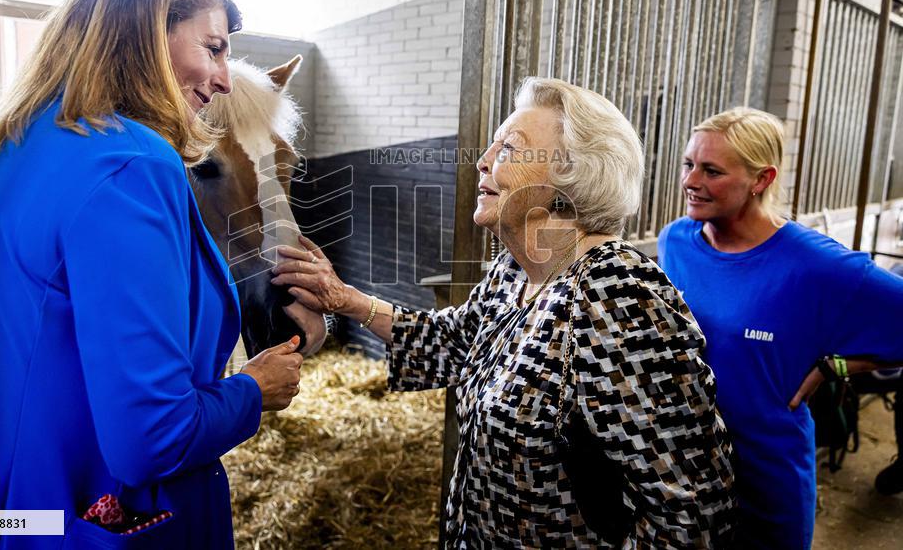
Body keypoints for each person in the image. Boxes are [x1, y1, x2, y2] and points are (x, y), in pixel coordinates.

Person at [0, 0, 318, 549]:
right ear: (144, 34)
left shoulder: (8, 153)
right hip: (85, 513)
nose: (222, 78)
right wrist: (251, 390)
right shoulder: (132, 164)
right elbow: (152, 437)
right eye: (212, 48)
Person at [272, 78, 737, 547]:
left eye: (510, 148)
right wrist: (344, 298)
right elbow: (456, 342)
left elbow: (688, 510)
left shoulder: (619, 297)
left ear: (571, 175)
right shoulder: (514, 271)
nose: (483, 160)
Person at [657, 107, 903, 549]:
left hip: (765, 477)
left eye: (711, 171)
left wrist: (838, 369)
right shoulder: (675, 241)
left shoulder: (815, 264)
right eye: (688, 164)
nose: (691, 181)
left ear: (761, 180)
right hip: (681, 472)